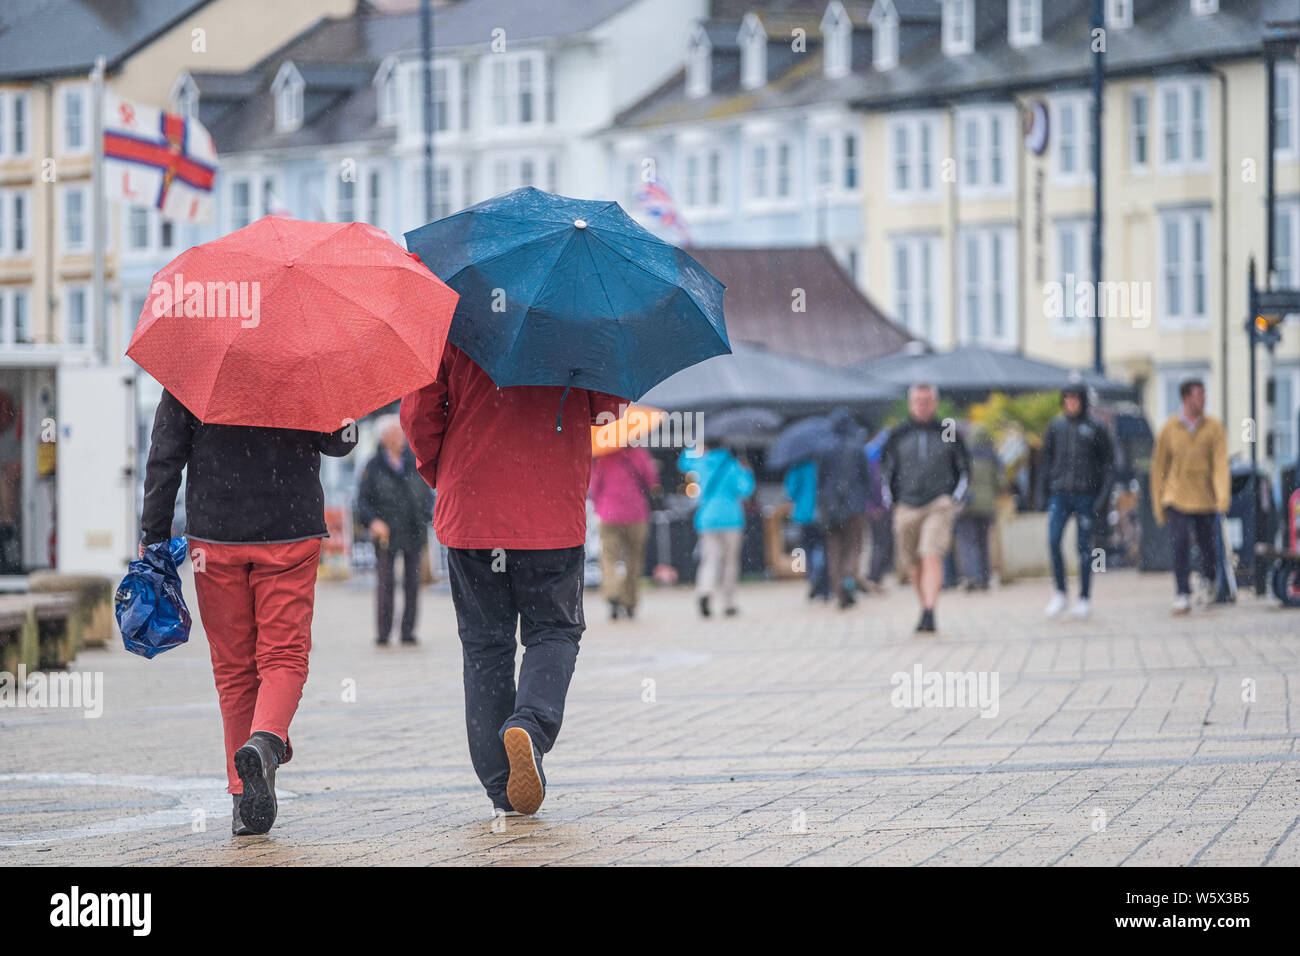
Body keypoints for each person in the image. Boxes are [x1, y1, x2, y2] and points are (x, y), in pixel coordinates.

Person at [401, 343, 624, 817]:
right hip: (551, 511)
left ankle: (502, 786)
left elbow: (420, 411)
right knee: (554, 631)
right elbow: (609, 409)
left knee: (486, 647)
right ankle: (529, 724)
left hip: (472, 511)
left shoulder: (455, 314)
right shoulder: (578, 317)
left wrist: (444, 469)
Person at [140, 389, 355, 836]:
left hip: (215, 535)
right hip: (290, 529)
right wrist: (345, 400)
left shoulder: (196, 361)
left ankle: (243, 799)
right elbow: (340, 442)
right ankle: (265, 742)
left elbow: (165, 454)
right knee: (284, 656)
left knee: (234, 670)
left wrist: (154, 533)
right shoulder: (301, 358)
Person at [881, 383, 969, 633]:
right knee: (913, 562)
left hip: (938, 503)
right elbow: (886, 471)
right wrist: (893, 502)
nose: (922, 405)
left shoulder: (948, 430)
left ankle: (930, 610)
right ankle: (924, 607)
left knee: (931, 554)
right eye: (918, 401)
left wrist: (954, 498)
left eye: (927, 400)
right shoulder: (898, 434)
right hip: (906, 506)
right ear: (911, 403)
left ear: (935, 402)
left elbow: (963, 466)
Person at [1150, 378, 1230, 614]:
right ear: (1186, 398)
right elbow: (1159, 468)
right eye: (1198, 395)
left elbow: (1220, 464)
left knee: (1208, 545)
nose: (1203, 400)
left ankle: (1209, 580)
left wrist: (1222, 495)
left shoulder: (1214, 427)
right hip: (1176, 496)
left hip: (1204, 496)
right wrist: (1158, 502)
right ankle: (1182, 592)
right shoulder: (1169, 428)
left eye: (1204, 395)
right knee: (1180, 542)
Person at [355, 415, 434, 645]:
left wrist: (427, 516)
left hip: (413, 529)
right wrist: (373, 522)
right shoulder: (373, 465)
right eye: (394, 433)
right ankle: (383, 633)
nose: (399, 437)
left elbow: (426, 492)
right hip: (385, 533)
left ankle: (408, 632)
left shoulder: (413, 460)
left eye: (400, 433)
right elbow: (362, 501)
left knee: (412, 583)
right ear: (384, 438)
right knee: (385, 584)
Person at [1040, 384, 1115, 619]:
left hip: (1086, 495)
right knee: (1053, 541)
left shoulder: (1096, 428)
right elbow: (1045, 462)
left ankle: (1084, 597)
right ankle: (1060, 592)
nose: (1071, 404)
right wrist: (1043, 493)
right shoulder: (1056, 427)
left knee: (1084, 548)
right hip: (1059, 494)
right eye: (1067, 399)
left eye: (1075, 399)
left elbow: (1109, 465)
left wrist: (1102, 498)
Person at [677, 441, 754, 618]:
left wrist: (696, 447)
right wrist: (747, 471)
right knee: (730, 562)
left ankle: (704, 591)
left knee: (709, 560)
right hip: (731, 519)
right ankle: (728, 603)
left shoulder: (700, 462)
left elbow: (682, 462)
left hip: (707, 518)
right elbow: (746, 490)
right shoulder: (734, 465)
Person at [589, 445, 659, 620]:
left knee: (608, 557)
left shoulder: (604, 458)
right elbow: (652, 482)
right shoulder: (641, 455)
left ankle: (612, 592)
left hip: (608, 513)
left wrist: (600, 508)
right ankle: (629, 601)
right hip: (636, 514)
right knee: (634, 558)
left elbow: (594, 488)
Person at [816, 409, 873, 609]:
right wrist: (870, 502)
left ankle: (839, 590)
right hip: (855, 506)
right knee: (854, 547)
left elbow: (820, 481)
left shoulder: (824, 448)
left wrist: (822, 503)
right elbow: (868, 479)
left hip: (831, 507)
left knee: (834, 550)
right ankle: (849, 580)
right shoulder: (857, 448)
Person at [956, 426, 1001, 592]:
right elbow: (999, 483)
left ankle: (970, 577)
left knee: (968, 542)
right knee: (983, 543)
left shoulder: (965, 455)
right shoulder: (992, 457)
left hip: (968, 505)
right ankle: (984, 577)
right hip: (987, 506)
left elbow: (960, 481)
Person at [783, 460, 829, 601]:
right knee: (822, 547)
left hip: (803, 513)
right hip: (823, 512)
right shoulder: (823, 462)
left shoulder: (798, 465)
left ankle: (812, 576)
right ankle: (821, 577)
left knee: (807, 548)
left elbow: (790, 491)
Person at [864, 428, 893, 593]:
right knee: (881, 543)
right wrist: (877, 506)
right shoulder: (877, 463)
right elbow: (876, 488)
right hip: (879, 509)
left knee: (879, 543)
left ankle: (874, 577)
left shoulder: (870, 455)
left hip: (876, 508)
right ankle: (874, 577)